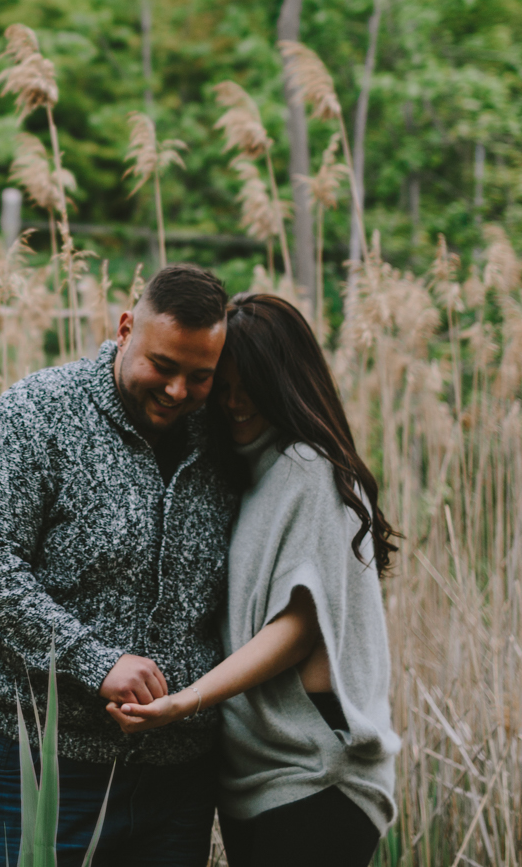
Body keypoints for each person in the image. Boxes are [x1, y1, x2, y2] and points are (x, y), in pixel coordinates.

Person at [0, 262, 236, 867]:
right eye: (164, 366)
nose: (178, 391)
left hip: (176, 778)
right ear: (126, 329)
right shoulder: (38, 413)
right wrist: (96, 662)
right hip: (22, 760)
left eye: (199, 376)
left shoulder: (226, 436)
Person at [110, 292, 400, 867]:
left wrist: (185, 702)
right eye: (225, 384)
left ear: (289, 384)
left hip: (315, 777)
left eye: (255, 385)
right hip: (259, 780)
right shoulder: (251, 475)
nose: (237, 402)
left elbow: (297, 627)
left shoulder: (308, 468)